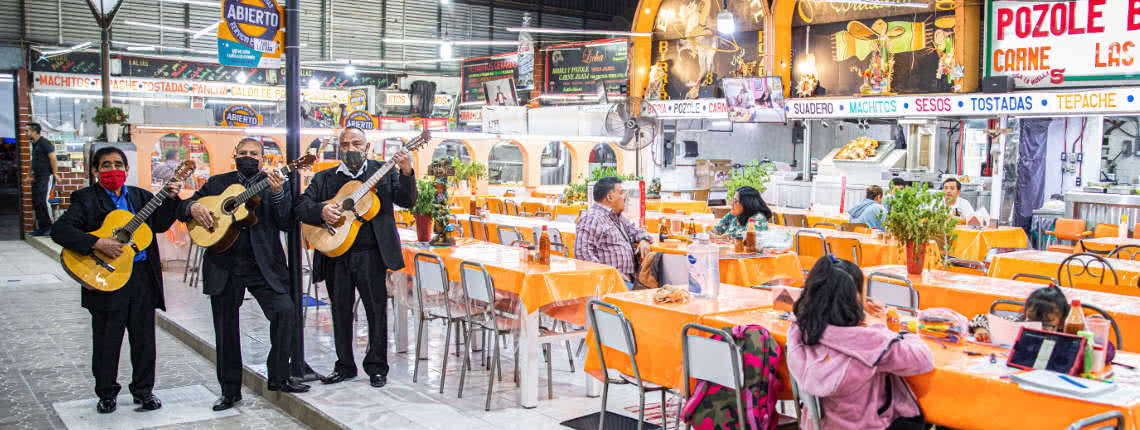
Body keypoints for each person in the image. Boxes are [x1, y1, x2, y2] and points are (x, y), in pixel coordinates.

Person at [181, 138, 309, 411]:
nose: (248, 157)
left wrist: (277, 194)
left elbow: (287, 222)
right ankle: (229, 391)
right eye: (244, 153)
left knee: (285, 311)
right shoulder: (217, 183)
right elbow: (186, 206)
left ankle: (278, 376)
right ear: (234, 155)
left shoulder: (275, 181)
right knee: (226, 329)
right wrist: (193, 207)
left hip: (263, 265)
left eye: (254, 154)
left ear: (263, 159)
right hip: (223, 263)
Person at [52, 147, 182, 414]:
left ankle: (144, 391)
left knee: (144, 340)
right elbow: (60, 230)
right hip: (106, 278)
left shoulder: (140, 197)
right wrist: (97, 242)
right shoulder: (85, 199)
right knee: (106, 341)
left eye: (118, 164)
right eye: (106, 165)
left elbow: (159, 225)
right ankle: (107, 393)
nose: (114, 170)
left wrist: (170, 200)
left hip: (141, 278)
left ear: (127, 169)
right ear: (95, 171)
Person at [295, 127, 415, 389]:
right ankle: (345, 365)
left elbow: (407, 200)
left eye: (356, 143)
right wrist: (321, 211)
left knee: (376, 312)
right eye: (345, 144)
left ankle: (376, 368)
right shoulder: (324, 178)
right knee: (339, 312)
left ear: (367, 146)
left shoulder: (383, 172)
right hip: (335, 255)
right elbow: (301, 206)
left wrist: (406, 171)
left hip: (371, 255)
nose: (350, 149)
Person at [787, 257, 934, 430]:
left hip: (817, 425)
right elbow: (924, 359)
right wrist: (888, 329)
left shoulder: (799, 330)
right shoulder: (868, 344)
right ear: (852, 298)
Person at [574, 176, 652, 289]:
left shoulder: (616, 217)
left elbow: (637, 231)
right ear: (610, 197)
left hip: (628, 280)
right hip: (610, 285)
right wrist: (611, 275)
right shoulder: (592, 218)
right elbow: (582, 254)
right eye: (621, 193)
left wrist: (643, 240)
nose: (624, 197)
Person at [27, 123, 56, 236]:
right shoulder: (35, 144)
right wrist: (28, 175)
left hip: (46, 176)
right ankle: (42, 228)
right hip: (37, 177)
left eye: (27, 131)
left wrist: (55, 174)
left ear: (34, 131)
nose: (26, 133)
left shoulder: (44, 143)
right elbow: (33, 161)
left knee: (42, 201)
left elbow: (53, 159)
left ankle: (49, 227)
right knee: (36, 201)